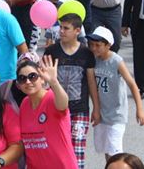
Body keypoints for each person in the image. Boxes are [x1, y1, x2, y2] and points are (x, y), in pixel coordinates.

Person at [43, 14, 101, 169]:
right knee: (56, 149)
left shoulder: (86, 53)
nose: (61, 31)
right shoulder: (51, 51)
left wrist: (96, 107)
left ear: (77, 30)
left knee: (77, 152)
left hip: (79, 111)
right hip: (55, 110)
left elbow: (91, 82)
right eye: (60, 27)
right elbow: (44, 82)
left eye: (66, 28)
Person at [86, 27, 144, 159]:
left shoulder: (116, 61)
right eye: (92, 45)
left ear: (108, 45)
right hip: (101, 113)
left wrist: (140, 109)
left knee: (115, 151)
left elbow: (131, 83)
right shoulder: (93, 60)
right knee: (107, 150)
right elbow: (92, 86)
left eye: (98, 45)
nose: (94, 48)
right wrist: (96, 109)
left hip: (116, 113)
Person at [16, 58, 78, 169]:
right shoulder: (24, 104)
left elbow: (63, 104)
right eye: (22, 79)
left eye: (33, 76)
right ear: (18, 85)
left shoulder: (51, 98)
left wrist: (54, 83)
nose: (28, 82)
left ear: (42, 79)